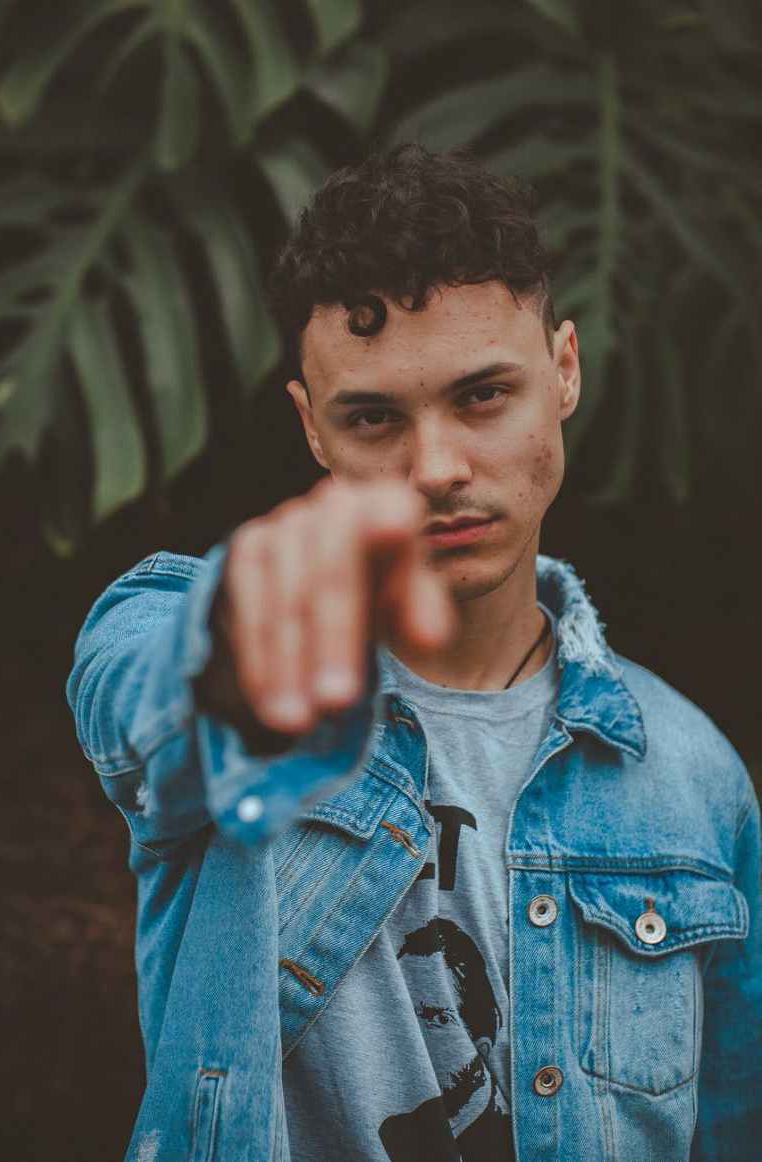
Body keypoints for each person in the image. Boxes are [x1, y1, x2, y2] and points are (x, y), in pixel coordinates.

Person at [66, 144, 761, 1162]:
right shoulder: (196, 642)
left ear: (563, 369)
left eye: (482, 396)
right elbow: (147, 698)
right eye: (374, 417)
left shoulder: (690, 775)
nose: (435, 468)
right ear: (312, 428)